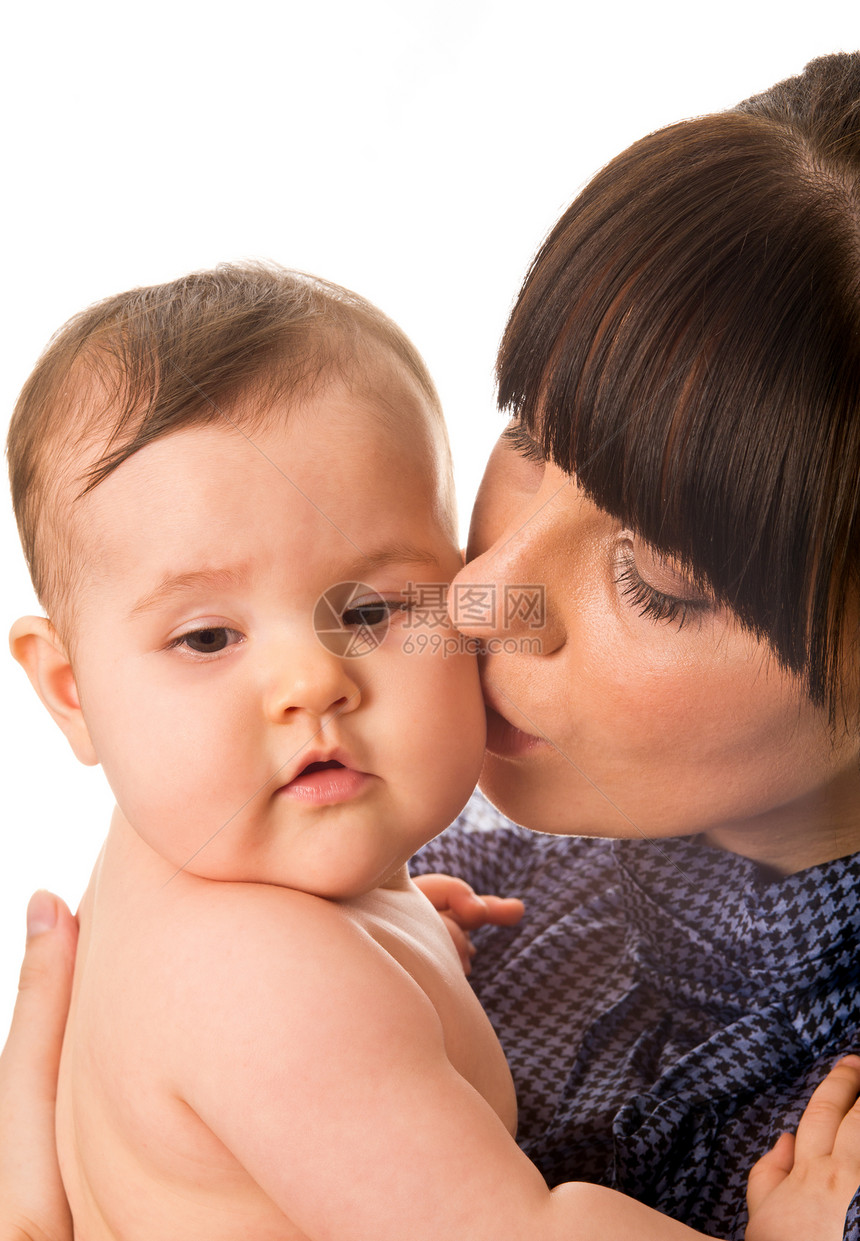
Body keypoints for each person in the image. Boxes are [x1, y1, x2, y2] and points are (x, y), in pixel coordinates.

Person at [3, 49, 860, 1240]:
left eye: (656, 577)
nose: (476, 595)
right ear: (68, 689)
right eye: (530, 435)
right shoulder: (310, 928)